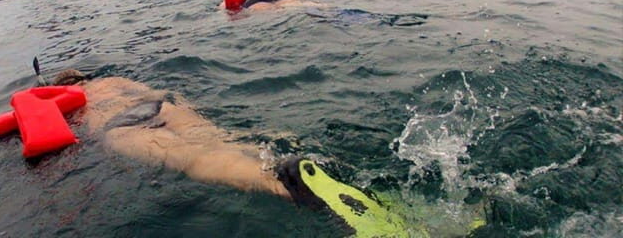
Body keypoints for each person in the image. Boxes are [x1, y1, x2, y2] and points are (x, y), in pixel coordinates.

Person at [45, 69, 434, 236]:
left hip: (122, 127)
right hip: (163, 105)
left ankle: (289, 186)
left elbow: (65, 134)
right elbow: (151, 94)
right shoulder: (113, 80)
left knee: (196, 160)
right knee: (222, 141)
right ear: (84, 76)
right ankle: (289, 161)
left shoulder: (67, 104)